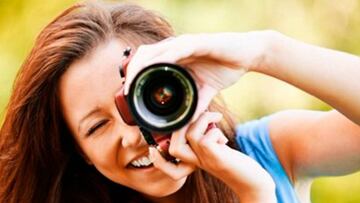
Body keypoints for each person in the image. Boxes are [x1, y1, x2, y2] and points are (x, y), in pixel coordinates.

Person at [0, 1, 359, 203]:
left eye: (146, 98)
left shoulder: (270, 150)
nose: (133, 132)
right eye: (96, 126)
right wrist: (255, 192)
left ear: (182, 80)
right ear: (80, 153)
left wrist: (264, 51)